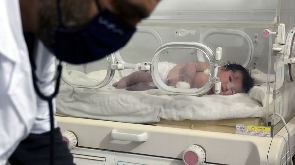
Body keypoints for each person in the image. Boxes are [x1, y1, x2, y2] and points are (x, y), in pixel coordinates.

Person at [0, 0, 161, 165]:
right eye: (122, 10)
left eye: (137, 19)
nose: (119, 33)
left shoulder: (40, 42)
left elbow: (39, 142)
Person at [113, 61, 255, 95]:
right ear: (223, 68)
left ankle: (126, 90)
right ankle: (126, 80)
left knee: (141, 89)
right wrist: (186, 81)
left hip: (166, 89)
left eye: (232, 91)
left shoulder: (212, 93)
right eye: (230, 79)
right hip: (166, 74)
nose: (227, 87)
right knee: (140, 75)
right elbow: (190, 65)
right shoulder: (210, 68)